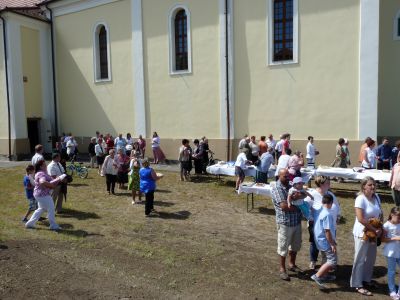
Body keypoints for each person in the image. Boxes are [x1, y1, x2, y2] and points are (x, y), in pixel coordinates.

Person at [350, 177, 383, 296]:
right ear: (363, 186)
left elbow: (380, 213)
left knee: (370, 258)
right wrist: (374, 229)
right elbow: (360, 219)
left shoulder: (377, 197)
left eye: (374, 184)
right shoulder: (360, 199)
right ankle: (357, 284)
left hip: (373, 233)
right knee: (359, 259)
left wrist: (380, 228)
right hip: (362, 233)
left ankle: (366, 280)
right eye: (370, 185)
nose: (373, 187)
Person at [271, 168, 303, 281]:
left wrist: (298, 198)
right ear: (279, 176)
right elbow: (284, 206)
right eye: (285, 176)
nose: (287, 178)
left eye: (288, 176)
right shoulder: (276, 188)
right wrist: (300, 208)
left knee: (295, 245)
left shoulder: (291, 185)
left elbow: (301, 195)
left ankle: (292, 264)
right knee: (283, 246)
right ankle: (282, 269)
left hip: (296, 221)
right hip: (285, 223)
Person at [304, 175, 340, 271]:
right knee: (315, 243)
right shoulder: (312, 195)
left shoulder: (331, 194)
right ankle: (313, 261)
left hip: (330, 225)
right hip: (316, 225)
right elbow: (305, 209)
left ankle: (327, 264)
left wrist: (338, 216)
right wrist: (310, 218)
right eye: (327, 183)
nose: (329, 184)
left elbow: (337, 206)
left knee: (330, 243)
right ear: (321, 184)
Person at [25, 160, 66, 230]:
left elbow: (49, 181)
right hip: (42, 195)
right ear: (41, 166)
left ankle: (30, 224)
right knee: (51, 208)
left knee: (41, 209)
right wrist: (51, 185)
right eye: (44, 165)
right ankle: (53, 225)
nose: (46, 166)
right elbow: (42, 182)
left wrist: (58, 179)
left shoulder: (41, 173)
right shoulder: (41, 173)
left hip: (39, 194)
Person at [310, 194, 338, 289]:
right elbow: (327, 231)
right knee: (332, 261)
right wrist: (332, 244)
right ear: (331, 203)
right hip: (325, 241)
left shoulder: (318, 211)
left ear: (322, 202)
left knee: (325, 258)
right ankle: (317, 276)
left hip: (319, 240)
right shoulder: (327, 215)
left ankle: (324, 275)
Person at [381, 207, 400, 300]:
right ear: (392, 215)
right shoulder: (386, 225)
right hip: (391, 252)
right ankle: (392, 290)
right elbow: (382, 239)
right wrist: (395, 238)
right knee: (392, 272)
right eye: (399, 217)